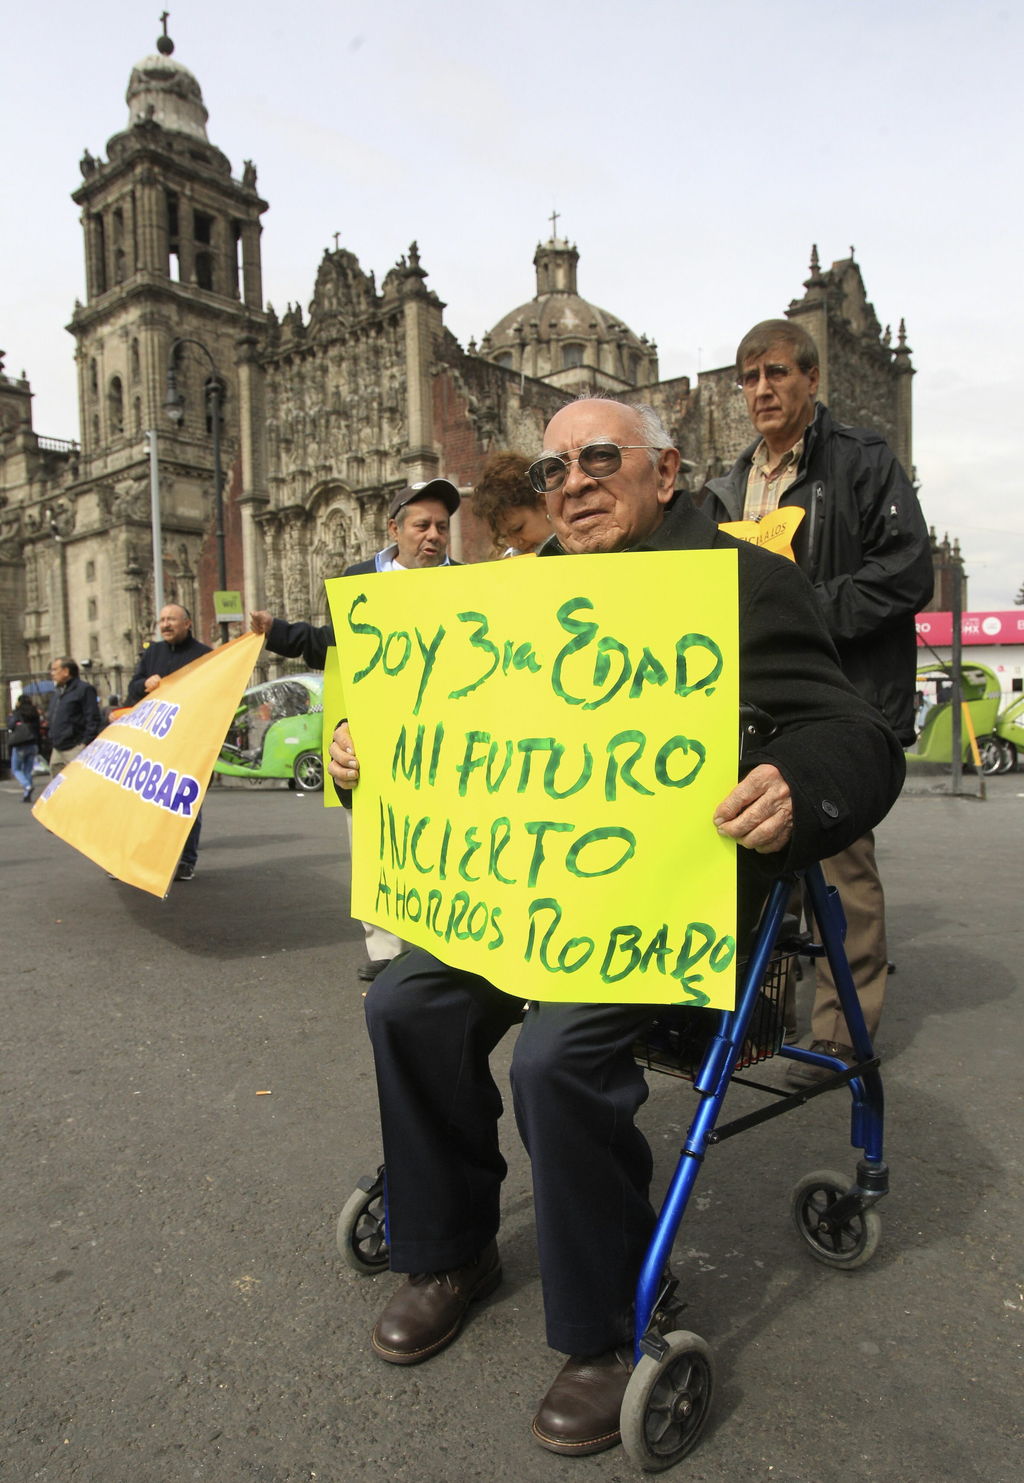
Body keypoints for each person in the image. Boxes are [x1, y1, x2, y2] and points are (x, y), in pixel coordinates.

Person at [327, 397, 905, 1456]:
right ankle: (451, 1248)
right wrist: (361, 751)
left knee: (555, 1054)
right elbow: (440, 732)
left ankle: (604, 1327)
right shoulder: (514, 593)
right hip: (517, 894)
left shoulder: (739, 581)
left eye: (600, 457)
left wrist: (793, 779)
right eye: (554, 470)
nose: (574, 483)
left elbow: (856, 736)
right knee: (405, 1001)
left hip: (663, 903)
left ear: (666, 471)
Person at [701, 320, 933, 1085]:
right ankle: (762, 1016)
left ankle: (840, 1033)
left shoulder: (861, 461)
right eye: (748, 377)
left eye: (776, 373)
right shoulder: (729, 485)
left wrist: (808, 611)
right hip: (753, 707)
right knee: (763, 856)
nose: (762, 389)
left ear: (811, 377)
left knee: (842, 866)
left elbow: (907, 571)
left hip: (841, 701)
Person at [251, 478, 461, 980]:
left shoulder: (465, 581)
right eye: (422, 525)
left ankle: (443, 948)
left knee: (441, 842)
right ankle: (385, 951)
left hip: (439, 737)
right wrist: (276, 632)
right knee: (372, 843)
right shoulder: (358, 578)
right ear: (394, 529)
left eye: (442, 526)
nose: (433, 535)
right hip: (369, 736)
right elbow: (330, 644)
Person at [126, 604, 211, 881]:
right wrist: (144, 684)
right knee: (144, 803)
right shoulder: (152, 653)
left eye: (171, 619)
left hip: (189, 742)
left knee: (186, 803)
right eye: (162, 620)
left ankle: (186, 860)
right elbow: (133, 687)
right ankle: (139, 858)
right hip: (154, 742)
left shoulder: (205, 655)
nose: (165, 624)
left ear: (187, 623)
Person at [471, 450, 551, 554]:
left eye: (518, 529)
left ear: (543, 502)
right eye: (504, 536)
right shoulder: (513, 557)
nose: (515, 543)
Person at [47, 658, 101, 775]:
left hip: (74, 748)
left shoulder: (84, 689)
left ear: (66, 671)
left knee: (79, 780)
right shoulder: (58, 692)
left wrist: (84, 743)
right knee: (58, 783)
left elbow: (93, 718)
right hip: (57, 748)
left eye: (55, 669)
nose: (52, 673)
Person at [8, 695, 42, 802]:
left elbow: (11, 725)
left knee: (16, 769)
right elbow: (38, 728)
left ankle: (27, 785)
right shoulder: (34, 713)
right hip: (32, 744)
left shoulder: (18, 712)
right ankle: (27, 795)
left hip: (20, 744)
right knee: (28, 770)